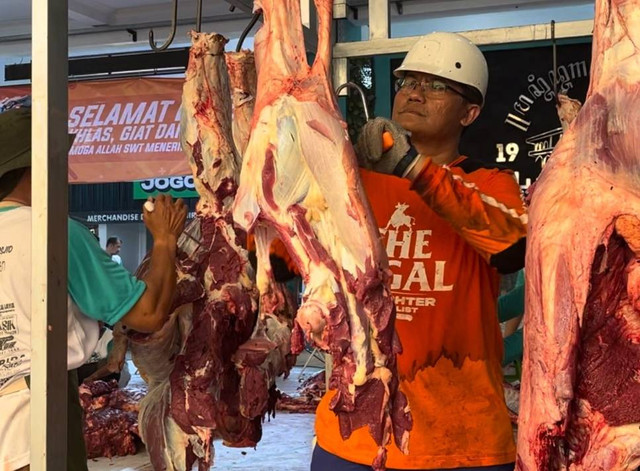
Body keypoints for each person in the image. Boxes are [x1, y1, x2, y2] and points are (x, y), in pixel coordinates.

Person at [312, 32, 527, 470]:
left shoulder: (489, 184)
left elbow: (512, 249)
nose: (415, 92)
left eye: (436, 85)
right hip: (351, 435)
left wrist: (410, 167)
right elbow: (280, 261)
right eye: (410, 81)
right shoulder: (355, 183)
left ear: (470, 112)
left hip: (461, 440)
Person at [0, 108, 187, 471]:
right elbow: (147, 315)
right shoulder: (52, 232)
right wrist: (164, 240)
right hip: (35, 421)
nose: (63, 174)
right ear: (32, 166)